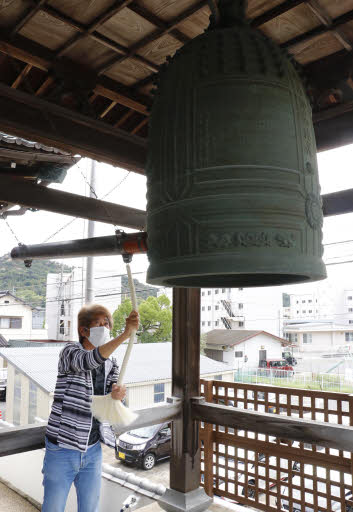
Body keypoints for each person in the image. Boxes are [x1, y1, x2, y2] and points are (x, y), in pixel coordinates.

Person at [42, 303, 139, 512]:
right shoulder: (69, 353)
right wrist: (125, 335)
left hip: (93, 449)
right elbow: (89, 360)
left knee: (90, 508)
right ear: (83, 330)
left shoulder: (111, 362)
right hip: (62, 448)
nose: (104, 328)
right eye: (98, 324)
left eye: (107, 324)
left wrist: (117, 396)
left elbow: (112, 401)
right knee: (53, 508)